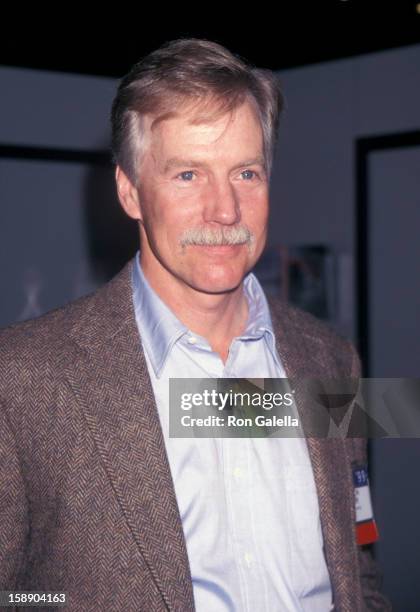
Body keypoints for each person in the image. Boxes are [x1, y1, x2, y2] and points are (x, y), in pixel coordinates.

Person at [0, 38, 391, 611]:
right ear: (130, 191)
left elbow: (357, 560)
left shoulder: (331, 359)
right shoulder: (23, 379)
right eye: (188, 174)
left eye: (246, 173)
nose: (225, 211)